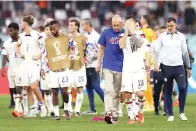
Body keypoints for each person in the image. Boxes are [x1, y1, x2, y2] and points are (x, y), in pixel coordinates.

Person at [154, 17, 192, 121]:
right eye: (168, 26)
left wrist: (188, 67)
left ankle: (181, 113)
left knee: (182, 88)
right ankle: (170, 114)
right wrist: (156, 63)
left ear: (175, 26)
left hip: (179, 66)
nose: (169, 28)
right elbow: (156, 51)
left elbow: (185, 53)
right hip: (166, 67)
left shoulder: (181, 37)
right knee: (168, 90)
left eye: (171, 26)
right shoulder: (162, 37)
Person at [119, 16, 149, 124]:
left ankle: (140, 112)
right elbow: (122, 46)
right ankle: (131, 116)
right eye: (127, 23)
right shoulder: (122, 36)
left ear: (134, 23)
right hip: (127, 69)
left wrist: (132, 34)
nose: (129, 24)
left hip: (139, 69)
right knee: (127, 94)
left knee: (140, 94)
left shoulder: (140, 34)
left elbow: (140, 44)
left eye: (130, 23)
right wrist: (127, 33)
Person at [16, 15, 47, 118]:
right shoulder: (21, 36)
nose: (20, 24)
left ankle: (43, 107)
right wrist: (20, 53)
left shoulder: (37, 35)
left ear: (26, 23)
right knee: (27, 87)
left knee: (34, 86)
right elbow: (18, 45)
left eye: (21, 22)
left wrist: (39, 55)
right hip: (26, 63)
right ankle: (33, 109)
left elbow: (44, 46)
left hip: (35, 63)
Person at [96, 14, 124, 124]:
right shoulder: (106, 32)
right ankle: (108, 113)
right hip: (107, 65)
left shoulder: (125, 33)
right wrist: (98, 63)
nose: (115, 27)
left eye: (117, 25)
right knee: (108, 90)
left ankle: (115, 113)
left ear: (121, 24)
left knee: (117, 92)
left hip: (120, 67)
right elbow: (101, 48)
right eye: (114, 25)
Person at [44, 20, 71, 120]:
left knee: (64, 91)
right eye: (50, 29)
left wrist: (66, 34)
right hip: (53, 71)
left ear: (58, 27)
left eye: (54, 29)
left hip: (64, 70)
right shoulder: (47, 40)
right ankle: (56, 114)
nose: (52, 31)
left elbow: (72, 42)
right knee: (54, 92)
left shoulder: (65, 37)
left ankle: (67, 109)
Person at [81, 18, 104, 115]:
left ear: (87, 25)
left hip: (94, 65)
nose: (82, 27)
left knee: (95, 85)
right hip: (87, 65)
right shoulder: (85, 36)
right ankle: (92, 109)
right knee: (88, 86)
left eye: (83, 25)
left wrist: (91, 58)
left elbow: (100, 50)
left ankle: (109, 106)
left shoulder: (96, 36)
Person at [1, 22, 24, 117]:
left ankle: (18, 109)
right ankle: (20, 109)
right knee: (13, 89)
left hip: (22, 68)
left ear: (17, 30)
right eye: (9, 31)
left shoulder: (23, 40)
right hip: (11, 69)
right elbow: (4, 55)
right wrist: (3, 67)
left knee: (20, 88)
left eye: (12, 30)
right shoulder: (6, 42)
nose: (10, 33)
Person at [67, 19, 87, 117]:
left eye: (71, 25)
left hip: (79, 66)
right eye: (69, 25)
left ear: (76, 27)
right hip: (69, 66)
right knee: (68, 88)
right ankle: (69, 110)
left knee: (80, 89)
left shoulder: (83, 38)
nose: (69, 26)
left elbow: (90, 50)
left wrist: (85, 59)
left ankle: (77, 110)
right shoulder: (67, 38)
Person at [140, 15, 156, 111]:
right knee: (144, 82)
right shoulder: (145, 31)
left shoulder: (148, 31)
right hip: (143, 59)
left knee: (147, 82)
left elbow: (151, 46)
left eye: (141, 18)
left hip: (147, 60)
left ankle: (150, 104)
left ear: (145, 20)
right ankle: (146, 102)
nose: (140, 19)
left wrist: (149, 60)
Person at [40, 23, 53, 116]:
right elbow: (40, 54)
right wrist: (40, 68)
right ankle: (48, 108)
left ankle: (52, 108)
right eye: (46, 29)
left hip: (53, 67)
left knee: (53, 89)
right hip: (44, 67)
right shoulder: (41, 41)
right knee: (46, 90)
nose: (48, 31)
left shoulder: (56, 40)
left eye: (49, 29)